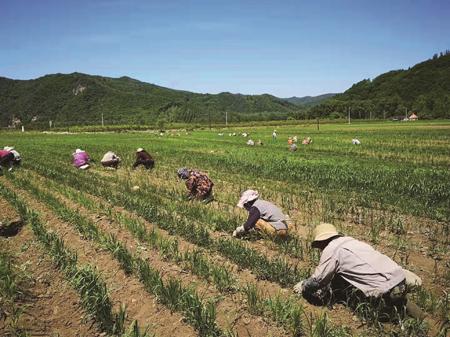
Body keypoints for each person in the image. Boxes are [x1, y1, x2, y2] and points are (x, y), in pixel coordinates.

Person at [293, 223, 425, 320]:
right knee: (399, 299)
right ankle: (421, 318)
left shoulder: (331, 250)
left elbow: (318, 280)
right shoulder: (352, 241)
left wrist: (304, 285)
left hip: (386, 289)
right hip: (400, 279)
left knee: (377, 316)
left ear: (321, 242)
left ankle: (402, 320)